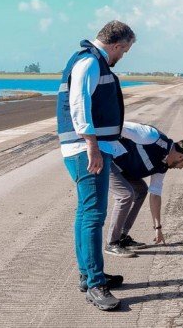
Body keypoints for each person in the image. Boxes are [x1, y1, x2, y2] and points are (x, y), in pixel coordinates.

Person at [56, 20, 135, 311]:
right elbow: (79, 105)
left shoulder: (92, 61)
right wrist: (92, 145)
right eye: (124, 50)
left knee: (86, 213)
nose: (122, 55)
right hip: (87, 148)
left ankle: (89, 273)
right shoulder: (89, 63)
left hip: (89, 146)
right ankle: (95, 285)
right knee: (93, 215)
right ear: (116, 44)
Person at [104, 121, 183, 257]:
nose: (180, 168)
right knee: (125, 195)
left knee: (141, 190)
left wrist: (158, 228)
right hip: (106, 158)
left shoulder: (163, 165)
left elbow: (155, 193)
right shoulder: (150, 136)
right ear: (180, 156)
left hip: (123, 168)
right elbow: (118, 125)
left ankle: (122, 236)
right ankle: (112, 243)